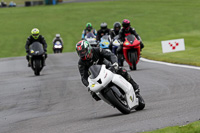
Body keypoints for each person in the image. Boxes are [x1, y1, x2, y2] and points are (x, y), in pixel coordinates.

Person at [76, 40, 141, 101]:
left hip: (108, 68)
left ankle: (135, 87)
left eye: (83, 51)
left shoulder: (97, 50)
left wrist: (114, 64)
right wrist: (89, 85)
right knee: (94, 94)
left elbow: (110, 55)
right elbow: (83, 77)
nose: (82, 53)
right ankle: (111, 100)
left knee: (121, 70)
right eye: (80, 52)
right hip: (97, 77)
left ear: (88, 48)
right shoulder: (81, 63)